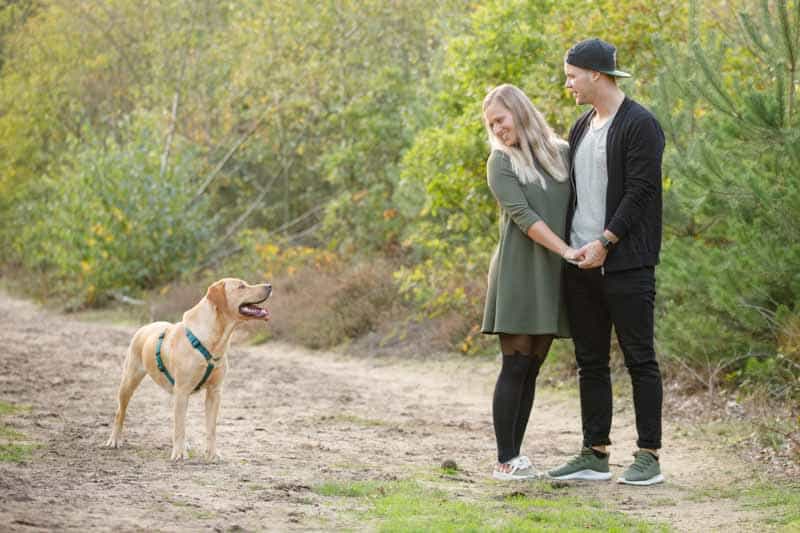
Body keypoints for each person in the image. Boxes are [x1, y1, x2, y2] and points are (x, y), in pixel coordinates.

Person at [546, 38, 666, 486]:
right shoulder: (581, 126)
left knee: (640, 359)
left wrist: (607, 242)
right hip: (581, 262)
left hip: (626, 263)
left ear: (596, 73)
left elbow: (640, 192)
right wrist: (576, 248)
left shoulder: (640, 124)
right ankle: (594, 453)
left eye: (572, 75)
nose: (568, 84)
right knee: (590, 361)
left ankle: (648, 455)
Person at [480, 84, 580, 480]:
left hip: (553, 269)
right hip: (520, 270)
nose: (498, 129)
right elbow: (524, 217)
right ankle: (505, 459)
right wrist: (567, 251)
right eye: (491, 125)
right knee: (516, 363)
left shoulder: (563, 154)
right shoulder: (500, 163)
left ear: (519, 111)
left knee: (534, 365)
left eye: (500, 120)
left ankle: (516, 456)